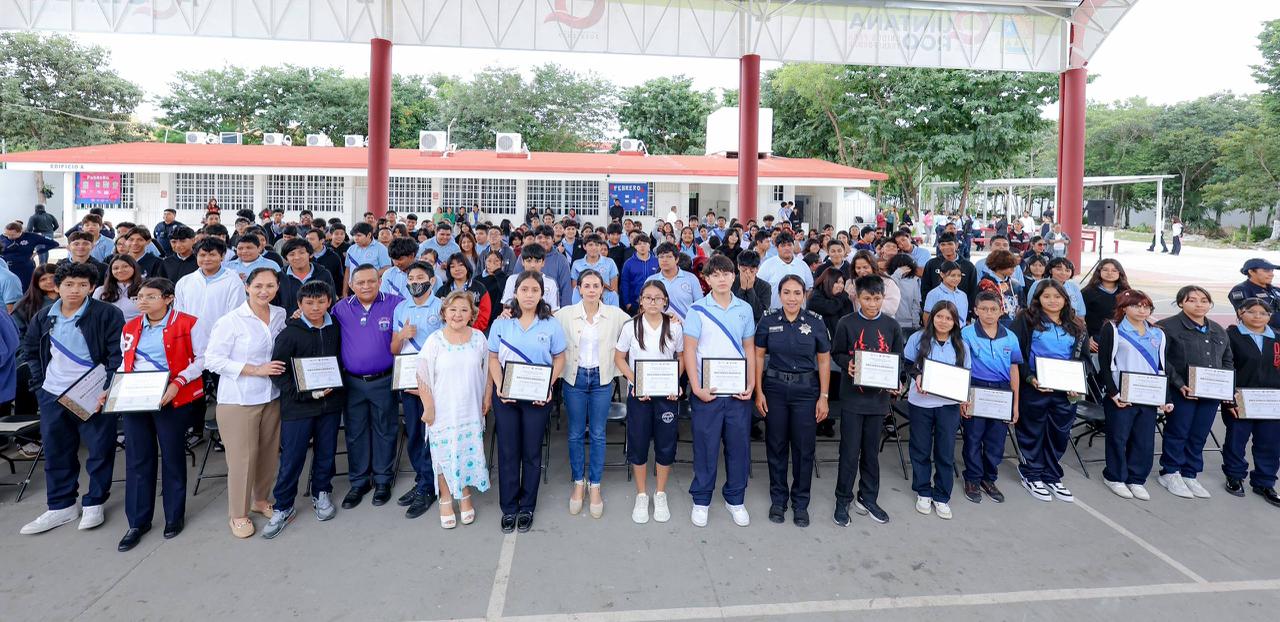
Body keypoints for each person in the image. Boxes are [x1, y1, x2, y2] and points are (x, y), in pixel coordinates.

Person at [18, 263, 126, 536]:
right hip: (53, 394)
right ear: (57, 287)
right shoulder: (44, 316)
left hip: (93, 394)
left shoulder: (107, 314)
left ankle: (95, 502)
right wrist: (40, 386)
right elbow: (30, 350)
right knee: (57, 451)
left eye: (82, 285)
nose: (74, 290)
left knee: (99, 449)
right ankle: (61, 505)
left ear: (92, 287)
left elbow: (117, 356)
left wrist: (108, 388)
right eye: (68, 284)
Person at [115, 277, 204, 551]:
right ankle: (137, 521)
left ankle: (174, 516)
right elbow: (126, 362)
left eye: (150, 296)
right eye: (139, 297)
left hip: (171, 398)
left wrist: (178, 383)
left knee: (172, 456)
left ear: (168, 298)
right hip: (135, 398)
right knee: (137, 459)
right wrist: (113, 388)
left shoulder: (188, 323)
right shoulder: (130, 327)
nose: (142, 301)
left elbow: (203, 358)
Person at [203, 267, 285, 538]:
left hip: (271, 396)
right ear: (247, 287)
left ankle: (260, 500)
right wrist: (254, 369)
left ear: (277, 288)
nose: (264, 291)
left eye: (270, 286)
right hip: (239, 400)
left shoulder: (280, 315)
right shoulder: (231, 321)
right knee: (242, 459)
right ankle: (238, 514)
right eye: (258, 286)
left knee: (268, 454)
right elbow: (213, 360)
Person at [260, 280, 344, 539]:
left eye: (321, 302)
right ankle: (283, 506)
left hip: (329, 404)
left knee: (326, 452)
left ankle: (322, 492)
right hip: (298, 407)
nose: (315, 307)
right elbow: (278, 372)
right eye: (309, 303)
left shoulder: (335, 327)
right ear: (299, 304)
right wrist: (303, 393)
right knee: (292, 458)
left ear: (329, 302)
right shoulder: (289, 334)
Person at [488, 270, 567, 533]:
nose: (529, 295)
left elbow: (560, 358)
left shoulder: (551, 324)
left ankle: (527, 506)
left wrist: (548, 386)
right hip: (506, 396)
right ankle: (509, 507)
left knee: (532, 452)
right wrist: (501, 386)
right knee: (508, 451)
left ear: (542, 293)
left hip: (537, 397)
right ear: (516, 292)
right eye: (524, 290)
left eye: (535, 290)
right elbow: (492, 358)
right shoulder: (502, 323)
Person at [683, 255, 757, 527]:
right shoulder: (697, 309)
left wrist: (751, 383)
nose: (722, 278)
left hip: (737, 392)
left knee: (739, 447)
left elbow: (749, 348)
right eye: (715, 274)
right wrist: (696, 387)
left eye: (726, 273)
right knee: (706, 447)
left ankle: (735, 499)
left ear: (734, 276)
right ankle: (701, 499)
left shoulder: (744, 309)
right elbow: (689, 350)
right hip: (708, 392)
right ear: (706, 279)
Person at [753, 275, 831, 527]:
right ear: (779, 295)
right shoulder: (768, 320)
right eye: (786, 292)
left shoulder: (815, 322)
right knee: (775, 445)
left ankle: (800, 502)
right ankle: (778, 500)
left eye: (797, 293)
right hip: (775, 389)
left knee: (803, 448)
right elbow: (758, 356)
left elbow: (824, 361)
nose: (792, 298)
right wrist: (758, 391)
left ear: (805, 295)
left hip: (806, 391)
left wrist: (824, 397)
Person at [830, 275, 904, 526]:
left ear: (883, 297)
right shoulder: (846, 323)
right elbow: (837, 353)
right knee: (849, 452)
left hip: (878, 401)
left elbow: (899, 359)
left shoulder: (891, 326)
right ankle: (843, 498)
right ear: (858, 298)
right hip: (852, 400)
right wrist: (847, 364)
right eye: (867, 299)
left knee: (871, 453)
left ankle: (868, 497)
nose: (872, 304)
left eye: (877, 298)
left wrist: (896, 380)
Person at [556, 270, 629, 518]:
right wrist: (508, 313)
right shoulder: (564, 314)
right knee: (576, 433)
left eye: (596, 285)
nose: (591, 290)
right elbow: (539, 321)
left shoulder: (615, 315)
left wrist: (669, 317)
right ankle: (579, 482)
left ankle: (595, 484)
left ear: (602, 289)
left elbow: (640, 323)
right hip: (574, 379)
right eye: (586, 285)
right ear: (579, 288)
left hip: (602, 379)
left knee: (598, 433)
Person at [418, 291, 493, 528]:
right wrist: (428, 407)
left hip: (469, 409)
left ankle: (465, 494)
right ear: (444, 313)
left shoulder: (479, 338)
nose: (457, 314)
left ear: (472, 314)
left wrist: (487, 396)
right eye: (452, 309)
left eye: (463, 310)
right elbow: (422, 375)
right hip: (443, 411)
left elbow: (487, 371)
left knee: (466, 452)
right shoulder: (434, 340)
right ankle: (446, 498)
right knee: (443, 455)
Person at [1010, 280, 1089, 503]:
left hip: (1065, 389)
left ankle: (1052, 475)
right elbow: (1016, 355)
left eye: (1057, 296)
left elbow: (1083, 358)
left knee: (1059, 433)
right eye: (1046, 296)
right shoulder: (1026, 320)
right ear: (1038, 298)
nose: (1052, 301)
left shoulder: (1076, 324)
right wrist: (1030, 378)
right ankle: (1031, 474)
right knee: (1032, 431)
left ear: (1065, 299)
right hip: (1035, 385)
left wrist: (1076, 383)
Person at [333, 264, 402, 509]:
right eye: (360, 282)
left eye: (371, 281)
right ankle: (359, 481)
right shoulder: (340, 308)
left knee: (385, 429)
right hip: (352, 382)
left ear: (379, 282)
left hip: (384, 379)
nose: (366, 286)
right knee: (355, 432)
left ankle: (383, 479)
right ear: (351, 285)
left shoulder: (396, 304)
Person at [614, 281, 683, 524]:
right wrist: (636, 382)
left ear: (665, 301)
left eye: (658, 298)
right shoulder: (630, 327)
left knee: (665, 444)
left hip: (666, 396)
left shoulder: (674, 327)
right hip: (639, 395)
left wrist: (675, 381)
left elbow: (681, 356)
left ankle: (660, 493)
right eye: (648, 297)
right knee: (639, 443)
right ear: (641, 301)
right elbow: (619, 358)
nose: (653, 302)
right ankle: (642, 494)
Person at [1155, 286, 1232, 499]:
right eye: (1192, 300)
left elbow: (1227, 360)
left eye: (1204, 300)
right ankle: (1170, 472)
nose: (1199, 304)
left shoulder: (1218, 330)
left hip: (1211, 393)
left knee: (1199, 434)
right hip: (1182, 391)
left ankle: (1189, 473)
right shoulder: (1167, 327)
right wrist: (1179, 383)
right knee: (1178, 431)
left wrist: (1225, 385)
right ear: (1181, 302)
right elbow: (1162, 360)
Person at [1096, 289, 1172, 501]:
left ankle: (1136, 479)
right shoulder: (1113, 329)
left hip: (1148, 396)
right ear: (1123, 308)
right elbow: (1104, 363)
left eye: (1146, 306)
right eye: (1136, 305)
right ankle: (1114, 477)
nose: (1142, 310)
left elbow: (1162, 367)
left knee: (1144, 440)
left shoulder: (1158, 333)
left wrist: (1165, 398)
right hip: (1121, 395)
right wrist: (1113, 392)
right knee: (1118, 437)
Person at [903, 300, 969, 519]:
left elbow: (965, 373)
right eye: (939, 316)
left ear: (955, 322)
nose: (943, 321)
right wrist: (917, 376)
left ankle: (941, 495)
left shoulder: (961, 345)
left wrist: (964, 399)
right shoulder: (918, 338)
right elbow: (907, 363)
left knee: (945, 451)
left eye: (949, 318)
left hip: (948, 406)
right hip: (921, 404)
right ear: (932, 318)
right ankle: (923, 490)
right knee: (920, 448)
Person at [392, 261, 444, 518]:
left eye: (420, 278)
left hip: (433, 382)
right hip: (408, 379)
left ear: (432, 281)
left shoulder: (442, 306)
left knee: (430, 435)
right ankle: (423, 479)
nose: (415, 282)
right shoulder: (401, 308)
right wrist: (402, 335)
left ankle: (429, 485)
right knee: (413, 432)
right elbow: (393, 349)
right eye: (411, 278)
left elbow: (447, 348)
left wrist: (428, 383)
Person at [960, 291, 1022, 504]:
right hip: (975, 387)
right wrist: (963, 397)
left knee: (996, 440)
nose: (989, 313)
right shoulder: (966, 333)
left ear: (1001, 311)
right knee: (973, 437)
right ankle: (972, 478)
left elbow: (1014, 370)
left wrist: (1015, 403)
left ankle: (989, 478)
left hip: (1002, 391)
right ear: (975, 310)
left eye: (993, 309)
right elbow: (962, 366)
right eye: (984, 309)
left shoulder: (1010, 336)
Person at [1223, 298, 1280, 506]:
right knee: (1236, 439)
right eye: (1251, 311)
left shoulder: (1277, 337)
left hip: (1272, 400)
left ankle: (1264, 482)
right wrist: (1229, 397)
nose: (1257, 316)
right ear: (1240, 313)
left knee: (1270, 442)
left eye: (1263, 313)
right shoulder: (1230, 336)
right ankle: (1234, 476)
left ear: (1270, 316)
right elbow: (1225, 366)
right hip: (1240, 398)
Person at [645, 243, 702, 319]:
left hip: (686, 324)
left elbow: (699, 306)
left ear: (677, 259)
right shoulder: (651, 281)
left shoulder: (691, 279)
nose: (664, 260)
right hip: (659, 324)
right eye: (661, 257)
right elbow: (645, 306)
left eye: (669, 257)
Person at [758, 232, 813, 311]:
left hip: (799, 314)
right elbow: (759, 290)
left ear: (793, 246)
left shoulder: (803, 265)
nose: (787, 248)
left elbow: (809, 290)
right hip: (774, 314)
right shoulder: (767, 265)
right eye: (783, 245)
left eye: (789, 245)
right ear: (777, 247)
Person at [3, 221, 60, 293]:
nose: (9, 237)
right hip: (7, 268)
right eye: (7, 234)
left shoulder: (31, 237)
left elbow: (54, 243)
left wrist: (38, 252)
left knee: (27, 288)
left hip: (25, 268)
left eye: (12, 235)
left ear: (20, 232)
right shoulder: (2, 238)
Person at [1082, 259, 1130, 341]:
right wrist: (1087, 338)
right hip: (1095, 338)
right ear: (1099, 272)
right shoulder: (1087, 292)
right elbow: (1079, 319)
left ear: (1120, 273)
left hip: (1122, 337)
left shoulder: (1126, 292)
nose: (1109, 273)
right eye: (1105, 270)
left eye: (1114, 270)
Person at [1227, 258, 1280, 331]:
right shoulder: (1241, 290)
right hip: (1260, 333)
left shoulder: (1276, 290)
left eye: (1272, 271)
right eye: (1266, 271)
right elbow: (1246, 314)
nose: (1271, 274)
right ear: (1251, 272)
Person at [570, 234, 621, 307]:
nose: (594, 248)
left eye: (597, 245)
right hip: (584, 304)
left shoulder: (610, 262)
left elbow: (614, 289)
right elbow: (576, 289)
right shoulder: (577, 264)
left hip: (606, 303)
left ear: (600, 246)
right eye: (590, 245)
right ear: (584, 246)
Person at [975, 250, 1022, 324]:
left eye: (1013, 266)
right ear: (998, 266)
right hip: (992, 324)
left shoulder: (1016, 284)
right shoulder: (985, 285)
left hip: (1014, 325)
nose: (1013, 269)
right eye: (1009, 266)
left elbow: (1022, 304)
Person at [93, 254, 143, 323]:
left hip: (137, 327)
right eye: (116, 268)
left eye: (125, 266)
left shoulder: (144, 289)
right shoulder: (101, 291)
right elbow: (94, 315)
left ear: (134, 267)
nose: (120, 270)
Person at [620, 234, 659, 314]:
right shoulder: (628, 263)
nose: (642, 246)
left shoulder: (657, 262)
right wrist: (627, 303)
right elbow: (624, 283)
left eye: (645, 243)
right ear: (635, 246)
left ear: (649, 245)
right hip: (634, 303)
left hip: (654, 301)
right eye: (639, 244)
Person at [922, 260, 969, 326]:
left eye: (959, 275)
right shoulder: (934, 294)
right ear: (942, 274)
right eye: (952, 275)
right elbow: (927, 316)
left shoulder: (963, 295)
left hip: (961, 330)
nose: (956, 279)